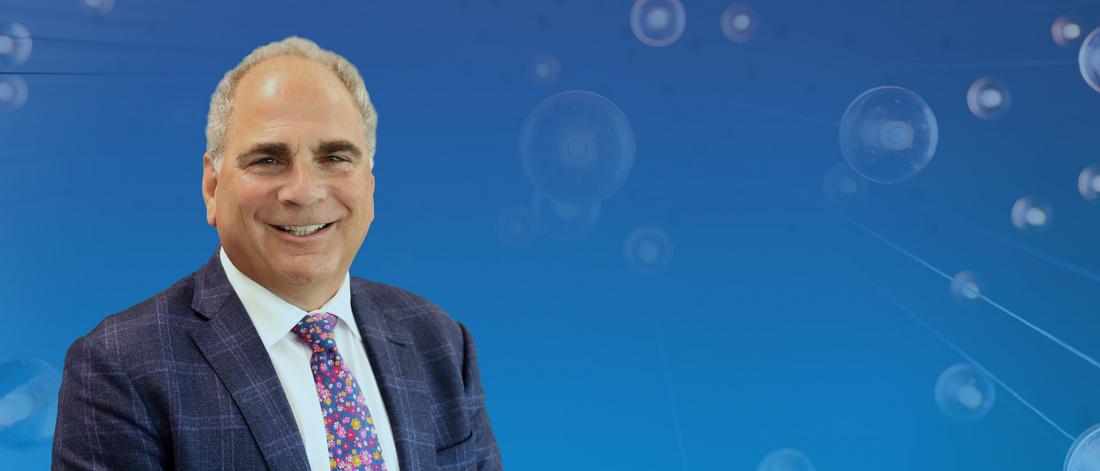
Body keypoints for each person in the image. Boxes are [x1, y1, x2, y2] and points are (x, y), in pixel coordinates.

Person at [51, 36, 501, 471]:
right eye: (268, 160)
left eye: (335, 157)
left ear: (369, 181)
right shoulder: (119, 367)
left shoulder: (440, 341)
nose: (304, 192)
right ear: (212, 186)